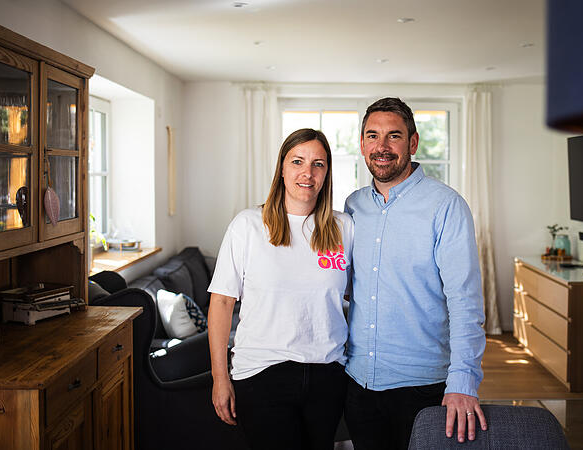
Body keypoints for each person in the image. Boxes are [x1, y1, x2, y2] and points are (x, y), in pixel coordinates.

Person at [343, 97, 487, 449]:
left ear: (413, 142)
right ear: (362, 144)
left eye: (394, 136)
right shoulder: (352, 206)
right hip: (357, 381)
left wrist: (462, 382)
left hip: (421, 386)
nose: (382, 147)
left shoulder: (446, 205)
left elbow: (465, 300)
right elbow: (344, 290)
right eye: (373, 136)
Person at [207, 128, 354, 450]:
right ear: (282, 168)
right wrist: (220, 378)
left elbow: (358, 296)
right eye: (297, 161)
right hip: (262, 372)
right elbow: (220, 303)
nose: (307, 172)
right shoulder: (248, 225)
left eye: (318, 163)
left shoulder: (344, 227)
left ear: (327, 172)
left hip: (327, 372)